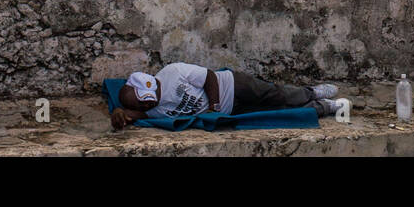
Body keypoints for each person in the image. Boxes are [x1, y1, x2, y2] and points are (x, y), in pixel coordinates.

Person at [112, 62, 340, 129]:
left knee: (277, 95)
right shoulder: (152, 110)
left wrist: (214, 106)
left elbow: (210, 77)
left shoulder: (173, 73)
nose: (146, 104)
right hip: (232, 111)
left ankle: (311, 92)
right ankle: (323, 107)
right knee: (277, 112)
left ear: (148, 85)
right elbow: (130, 115)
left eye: (144, 98)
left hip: (233, 85)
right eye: (141, 104)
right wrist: (120, 114)